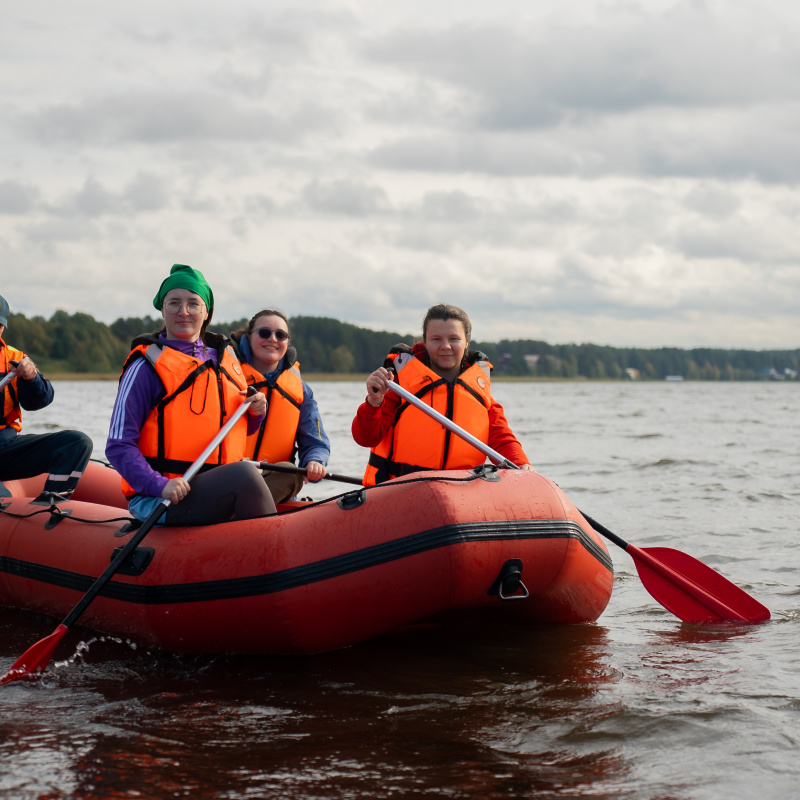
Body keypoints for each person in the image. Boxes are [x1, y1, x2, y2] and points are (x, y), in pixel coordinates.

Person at [105, 264, 276, 525]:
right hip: (159, 498)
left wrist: (256, 414)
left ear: (206, 311)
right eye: (174, 303)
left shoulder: (226, 361)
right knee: (244, 475)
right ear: (162, 309)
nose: (183, 312)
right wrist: (159, 484)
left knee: (247, 475)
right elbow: (118, 445)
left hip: (213, 489)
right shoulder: (146, 366)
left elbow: (237, 430)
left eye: (193, 304)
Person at [352, 303, 533, 485]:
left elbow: (503, 440)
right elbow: (365, 438)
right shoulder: (398, 386)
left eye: (454, 339)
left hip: (463, 491)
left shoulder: (480, 392)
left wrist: (521, 464)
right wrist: (373, 402)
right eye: (436, 339)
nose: (445, 346)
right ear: (425, 341)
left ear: (466, 341)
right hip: (403, 489)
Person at [230, 309, 330, 503]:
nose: (273, 339)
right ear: (249, 337)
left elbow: (315, 440)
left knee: (291, 473)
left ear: (287, 342)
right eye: (264, 333)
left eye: (280, 335)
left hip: (275, 481)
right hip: (228, 477)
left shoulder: (301, 390)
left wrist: (315, 460)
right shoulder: (227, 376)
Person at [0, 294, 93, 502]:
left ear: (3, 328)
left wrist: (32, 377)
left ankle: (50, 503)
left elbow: (38, 402)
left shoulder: (14, 359)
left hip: (5, 446)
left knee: (77, 442)